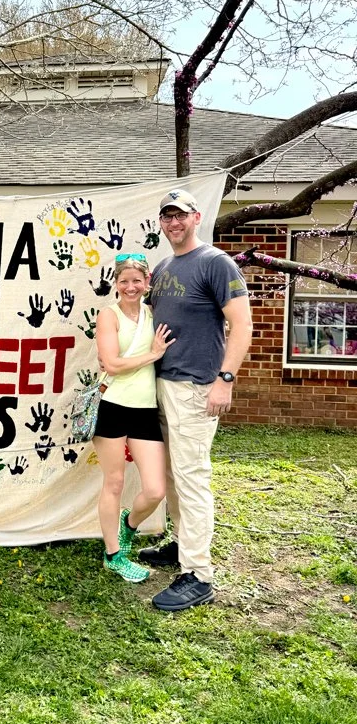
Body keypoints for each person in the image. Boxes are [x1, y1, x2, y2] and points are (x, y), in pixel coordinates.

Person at [142, 189, 253, 612]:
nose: (174, 223)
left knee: (191, 477)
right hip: (163, 383)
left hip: (195, 387)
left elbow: (242, 325)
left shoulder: (215, 263)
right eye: (167, 216)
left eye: (181, 215)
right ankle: (182, 546)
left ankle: (199, 575)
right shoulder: (165, 266)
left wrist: (225, 380)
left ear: (196, 217)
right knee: (171, 473)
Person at [93, 254, 175, 583]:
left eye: (136, 281)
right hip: (113, 405)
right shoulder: (108, 316)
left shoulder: (154, 315)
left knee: (155, 490)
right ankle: (113, 554)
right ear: (116, 283)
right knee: (113, 483)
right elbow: (111, 364)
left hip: (144, 409)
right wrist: (153, 355)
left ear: (147, 283)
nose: (130, 287)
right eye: (124, 281)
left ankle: (128, 526)